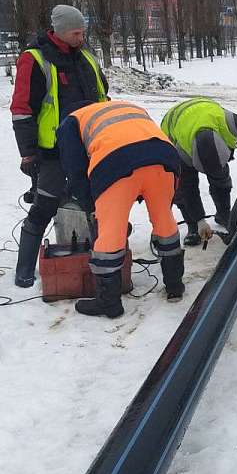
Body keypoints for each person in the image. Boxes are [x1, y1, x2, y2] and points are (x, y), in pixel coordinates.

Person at [10, 4, 108, 288]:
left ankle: (102, 262)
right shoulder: (35, 59)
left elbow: (103, 96)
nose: (82, 37)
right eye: (77, 33)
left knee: (95, 203)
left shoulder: (86, 58)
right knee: (45, 206)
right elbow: (22, 108)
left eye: (83, 32)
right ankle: (25, 270)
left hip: (90, 145)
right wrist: (28, 152)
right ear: (61, 33)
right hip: (52, 151)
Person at [57, 100, 183, 315]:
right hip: (164, 158)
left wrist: (90, 205)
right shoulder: (125, 107)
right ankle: (174, 286)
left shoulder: (69, 124)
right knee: (164, 220)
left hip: (115, 163)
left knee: (110, 232)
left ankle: (109, 303)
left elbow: (75, 170)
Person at [161, 97, 237, 246]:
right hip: (174, 127)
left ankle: (224, 214)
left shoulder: (230, 122)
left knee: (220, 179)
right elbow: (188, 189)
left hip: (205, 112)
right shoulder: (181, 152)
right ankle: (193, 226)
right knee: (181, 189)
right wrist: (199, 220)